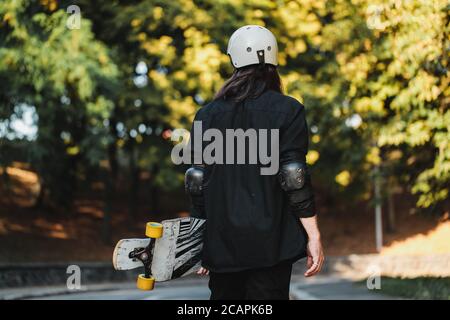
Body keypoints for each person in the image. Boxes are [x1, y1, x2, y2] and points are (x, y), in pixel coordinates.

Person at [185, 25, 324, 300]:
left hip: (222, 245)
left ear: (234, 60)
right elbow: (293, 175)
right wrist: (314, 236)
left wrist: (200, 240)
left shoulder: (207, 115)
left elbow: (197, 181)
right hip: (271, 246)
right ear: (272, 60)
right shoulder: (288, 109)